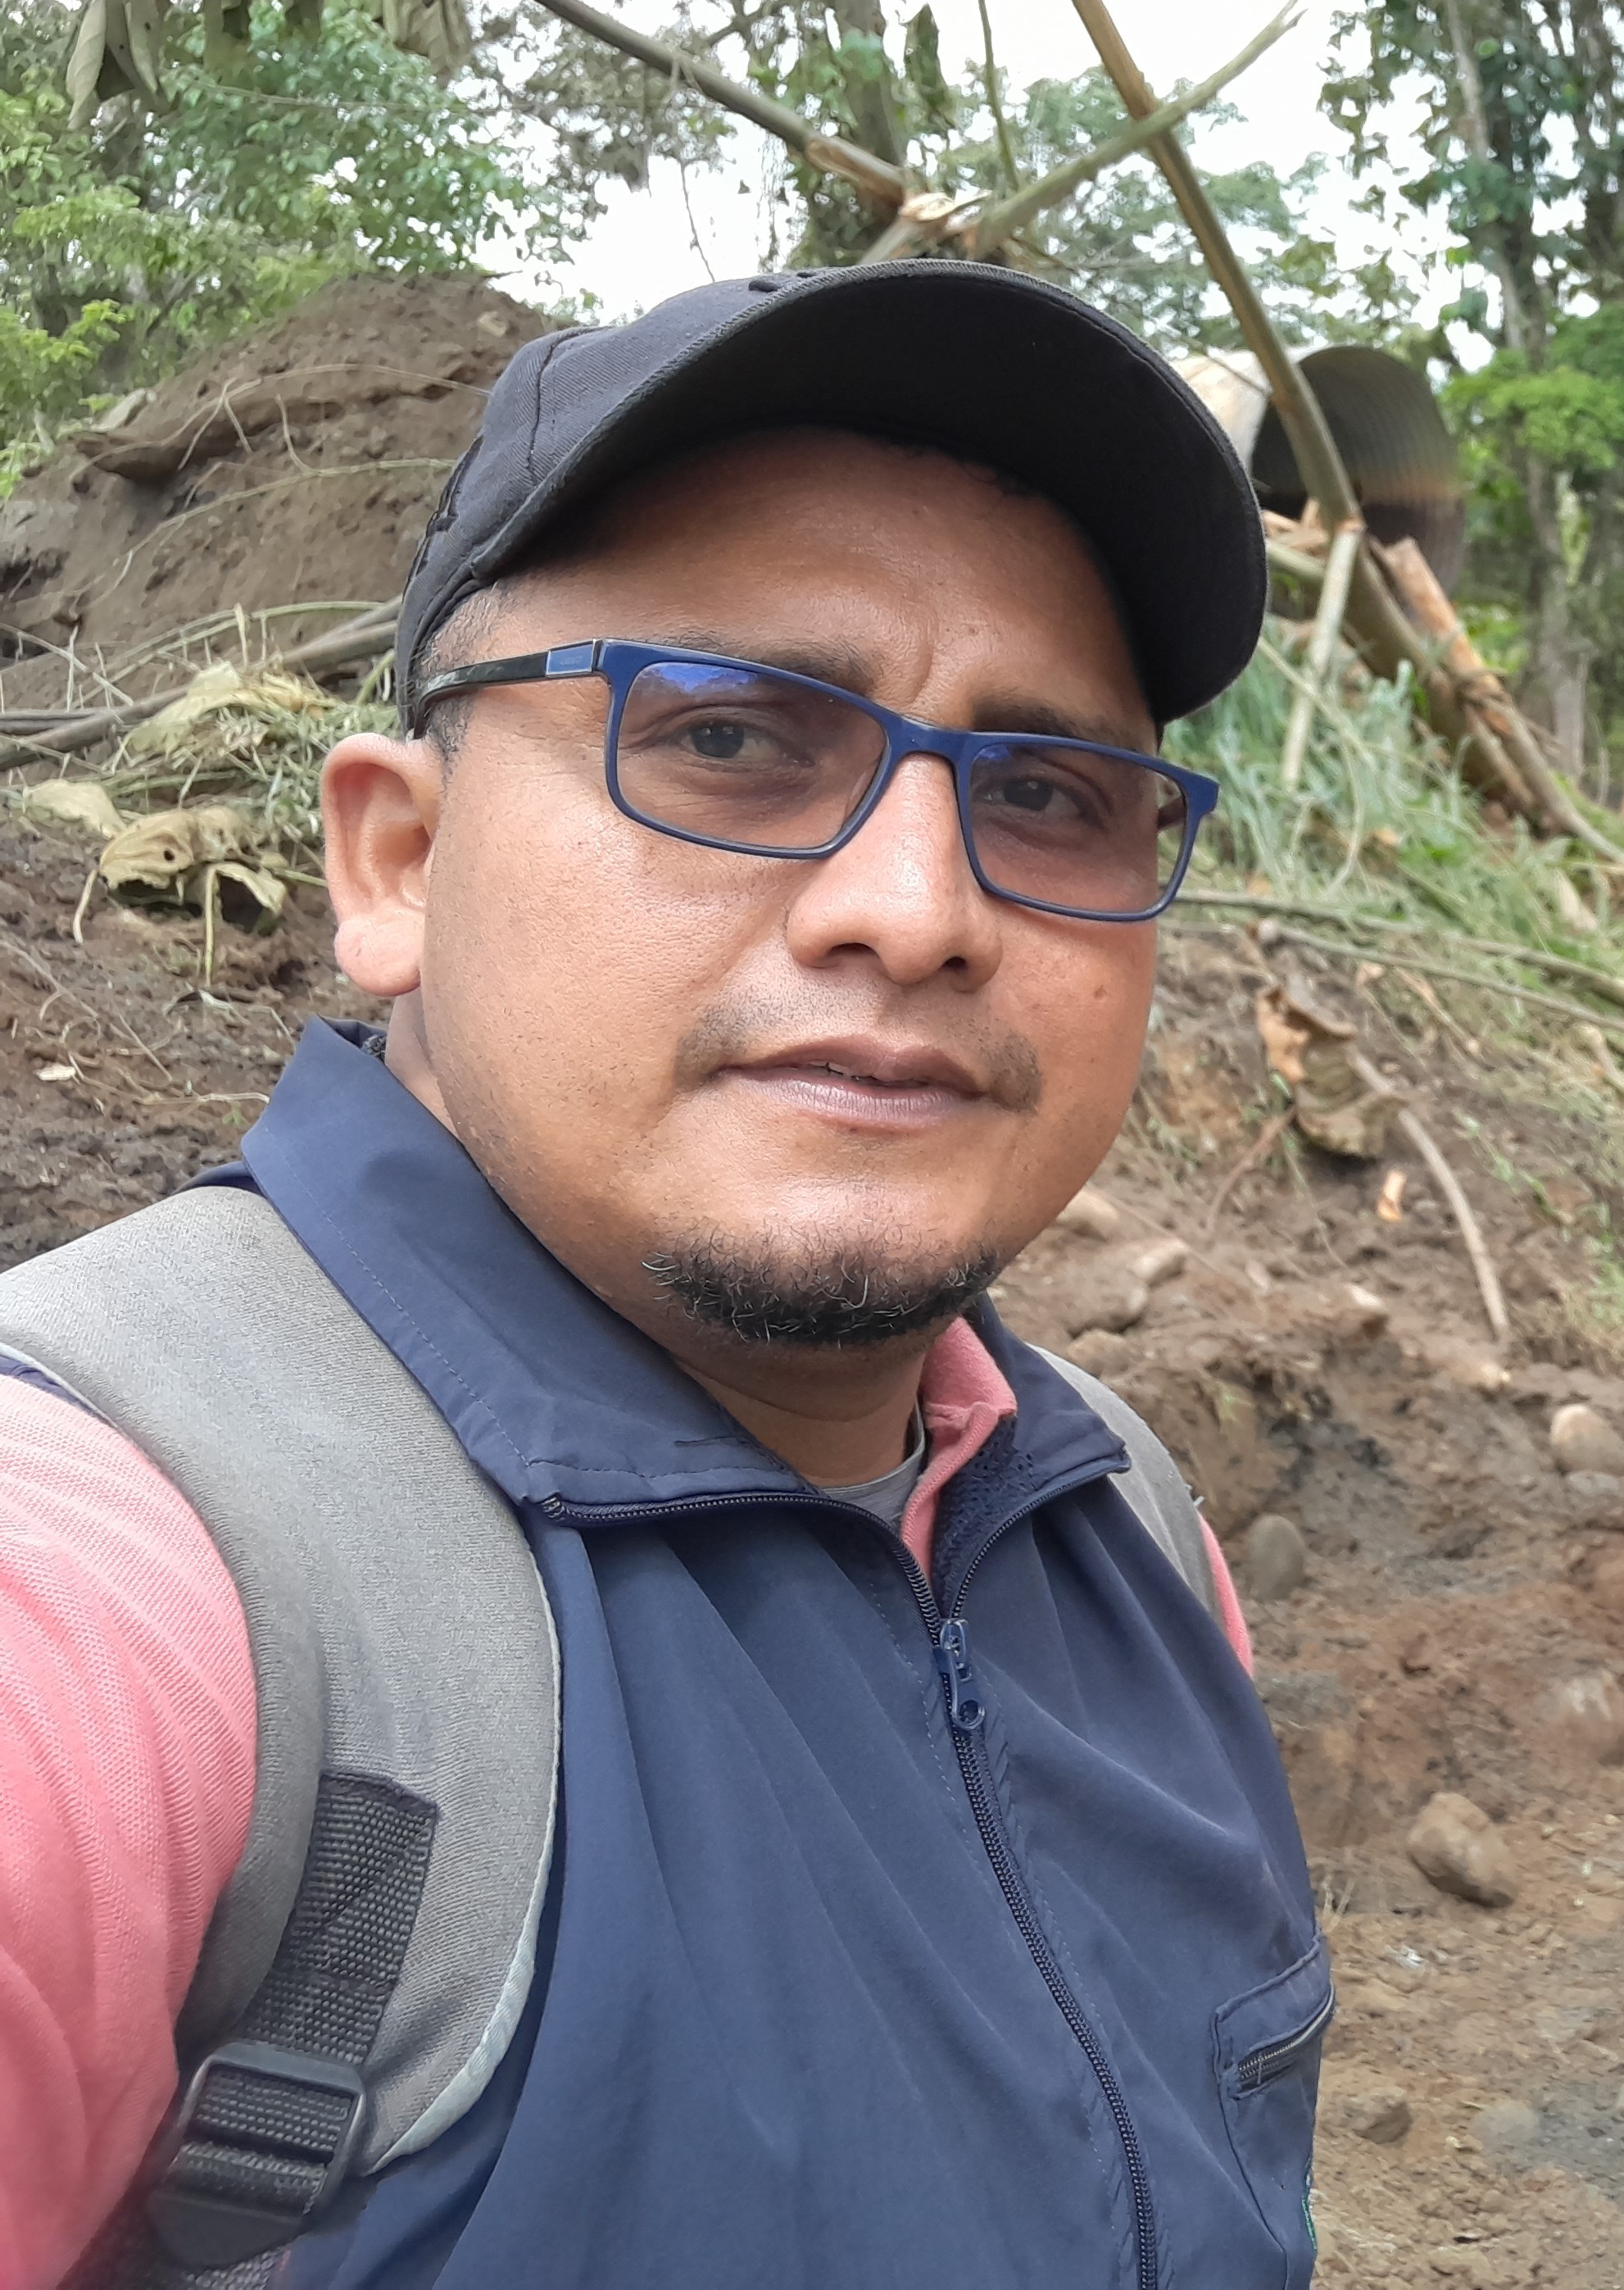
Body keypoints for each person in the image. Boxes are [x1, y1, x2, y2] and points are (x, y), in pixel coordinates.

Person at [0, 263, 1326, 2288]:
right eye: (726, 737)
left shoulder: (1123, 1524)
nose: (917, 910)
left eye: (1046, 795)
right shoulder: (125, 1589)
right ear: (394, 863)